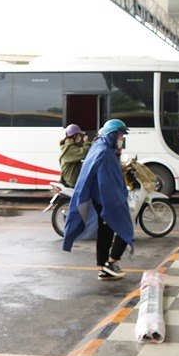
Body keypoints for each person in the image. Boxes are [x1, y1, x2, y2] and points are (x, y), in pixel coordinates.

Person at [62, 119, 133, 280]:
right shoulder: (104, 153)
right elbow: (106, 182)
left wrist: (118, 154)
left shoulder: (101, 147)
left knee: (105, 232)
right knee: (125, 228)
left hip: (100, 199)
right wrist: (114, 203)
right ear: (112, 135)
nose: (122, 138)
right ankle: (111, 262)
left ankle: (103, 268)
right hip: (107, 200)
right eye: (120, 135)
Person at [59, 123, 90, 188]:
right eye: (79, 135)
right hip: (72, 183)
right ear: (74, 135)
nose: (80, 137)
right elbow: (85, 152)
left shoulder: (68, 147)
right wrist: (87, 142)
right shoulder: (69, 149)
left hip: (70, 181)